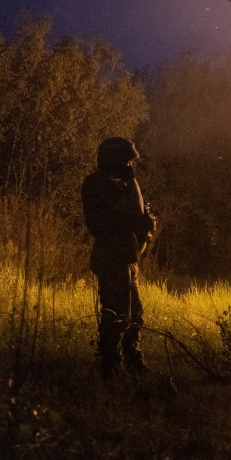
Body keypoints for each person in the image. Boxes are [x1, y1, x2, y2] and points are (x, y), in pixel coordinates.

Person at [81, 137, 156, 378]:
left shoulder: (117, 184)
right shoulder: (97, 184)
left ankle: (133, 361)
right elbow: (129, 212)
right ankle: (110, 365)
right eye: (126, 162)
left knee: (135, 314)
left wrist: (145, 226)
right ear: (114, 161)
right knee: (116, 314)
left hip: (127, 256)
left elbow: (135, 217)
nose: (129, 166)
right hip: (112, 257)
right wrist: (131, 185)